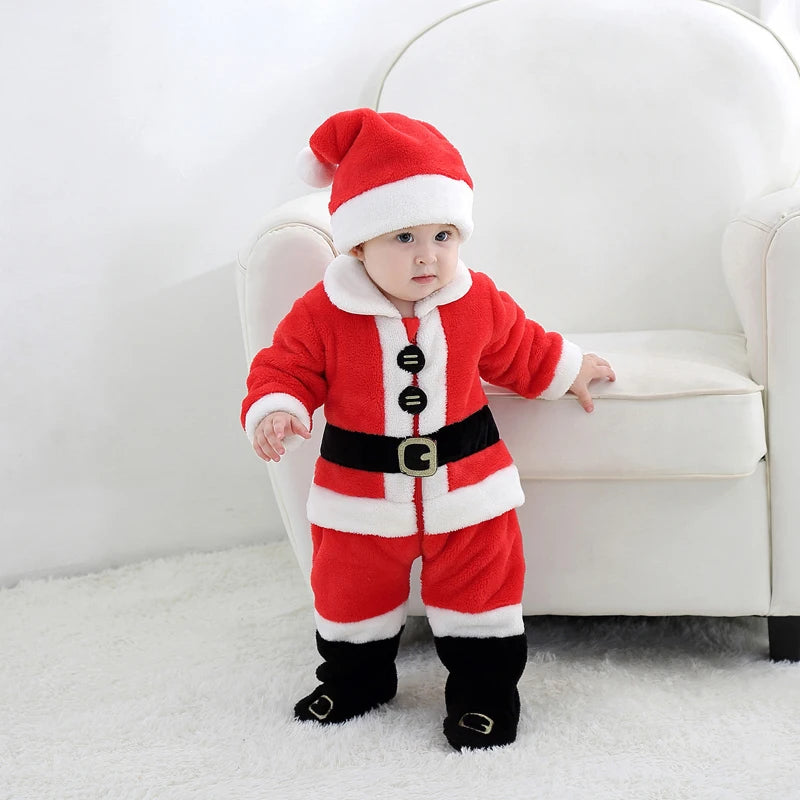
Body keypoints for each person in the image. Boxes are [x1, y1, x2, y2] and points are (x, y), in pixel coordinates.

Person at [241, 108, 615, 751]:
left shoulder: (475, 298)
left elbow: (518, 347)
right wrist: (278, 403)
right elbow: (286, 364)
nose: (429, 256)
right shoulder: (325, 311)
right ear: (358, 245)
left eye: (444, 235)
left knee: (482, 594)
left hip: (468, 489)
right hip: (359, 497)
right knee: (348, 594)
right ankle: (355, 680)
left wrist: (568, 366)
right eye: (404, 238)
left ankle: (484, 696)